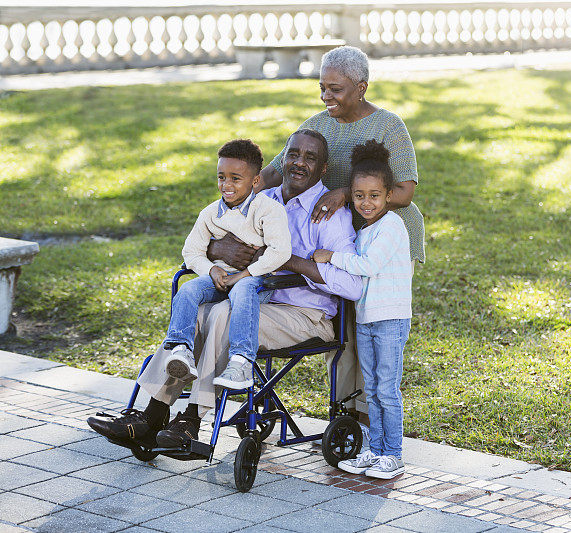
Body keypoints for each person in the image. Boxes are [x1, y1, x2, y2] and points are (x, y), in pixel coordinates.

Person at [87, 130, 362, 450]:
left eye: (310, 158)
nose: (299, 163)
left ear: (323, 168)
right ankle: (153, 415)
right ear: (282, 158)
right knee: (198, 312)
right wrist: (223, 251)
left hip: (305, 313)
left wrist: (290, 262)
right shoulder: (261, 201)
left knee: (219, 314)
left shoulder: (330, 214)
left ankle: (191, 420)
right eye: (293, 154)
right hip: (255, 299)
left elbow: (352, 284)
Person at [209, 45, 424, 417]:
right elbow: (276, 171)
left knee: (363, 323)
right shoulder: (317, 123)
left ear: (361, 87)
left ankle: (358, 413)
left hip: (381, 236)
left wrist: (345, 192)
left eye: (336, 89)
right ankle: (344, 411)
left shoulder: (389, 125)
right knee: (338, 314)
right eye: (322, 87)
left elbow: (404, 191)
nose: (327, 96)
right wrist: (236, 202)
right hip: (333, 234)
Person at [313, 140, 412, 479]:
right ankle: (375, 451)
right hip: (368, 318)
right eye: (359, 196)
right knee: (371, 389)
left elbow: (367, 265)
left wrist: (331, 257)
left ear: (388, 196)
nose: (366, 203)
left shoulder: (392, 226)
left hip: (390, 319)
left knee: (387, 388)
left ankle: (393, 455)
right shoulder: (366, 228)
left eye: (374, 195)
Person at [165, 139, 291, 392]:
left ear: (255, 181)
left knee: (244, 290)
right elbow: (191, 250)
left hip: (256, 279)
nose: (227, 185)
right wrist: (211, 270)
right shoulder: (210, 213)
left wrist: (244, 274)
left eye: (236, 178)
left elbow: (281, 252)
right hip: (220, 277)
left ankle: (241, 361)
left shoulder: (269, 210)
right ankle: (181, 349)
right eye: (221, 177)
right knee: (188, 290)